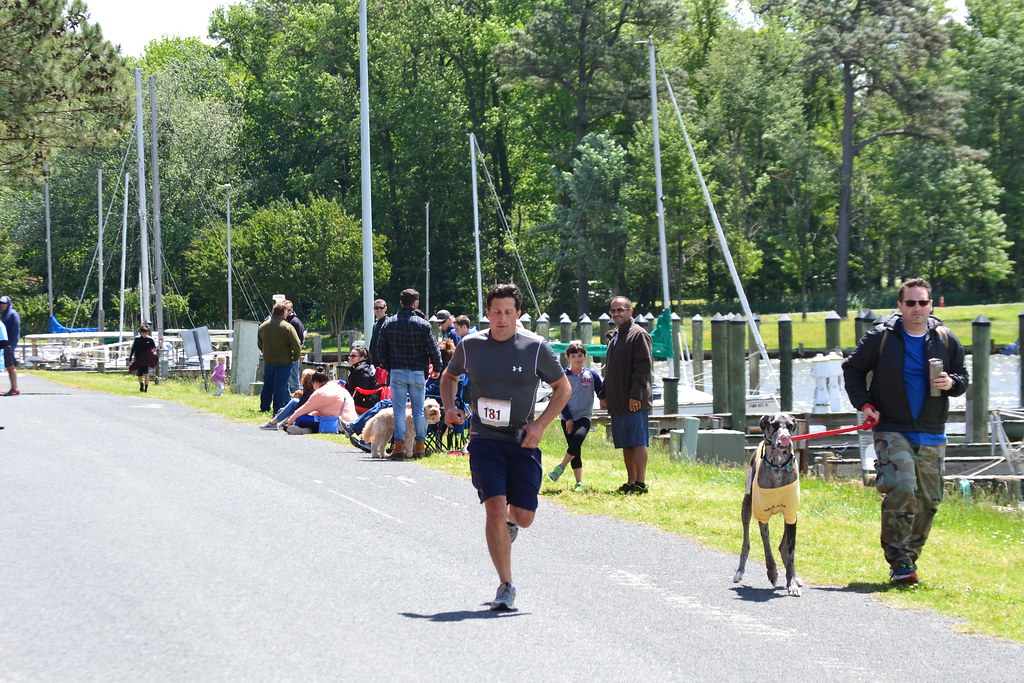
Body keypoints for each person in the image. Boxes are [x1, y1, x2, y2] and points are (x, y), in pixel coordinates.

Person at [441, 283, 571, 611]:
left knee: (524, 517)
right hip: (484, 440)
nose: (501, 318)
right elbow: (448, 377)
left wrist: (540, 425)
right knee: (494, 507)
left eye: (508, 312)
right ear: (487, 313)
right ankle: (506, 585)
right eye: (496, 312)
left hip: (522, 440)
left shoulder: (535, 347)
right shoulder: (470, 345)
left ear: (518, 314)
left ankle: (511, 525)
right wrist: (449, 407)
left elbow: (563, 388)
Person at [843, 277, 968, 585]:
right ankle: (898, 559)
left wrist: (951, 383)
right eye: (910, 303)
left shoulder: (946, 339)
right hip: (891, 428)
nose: (916, 308)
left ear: (931, 305)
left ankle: (909, 560)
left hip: (932, 430)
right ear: (900, 306)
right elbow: (853, 369)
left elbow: (963, 376)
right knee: (901, 487)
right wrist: (865, 404)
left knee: (928, 500)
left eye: (922, 302)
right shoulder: (881, 338)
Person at [377, 288, 442, 457]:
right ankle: (419, 445)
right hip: (417, 372)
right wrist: (436, 368)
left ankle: (398, 446)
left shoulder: (389, 323)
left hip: (397, 371)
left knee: (398, 410)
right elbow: (434, 350)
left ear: (400, 303)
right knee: (419, 410)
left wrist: (389, 366)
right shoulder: (423, 324)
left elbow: (380, 351)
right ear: (416, 303)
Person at [598, 296, 653, 495]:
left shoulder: (638, 335)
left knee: (638, 441)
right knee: (626, 443)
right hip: (618, 400)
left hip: (634, 400)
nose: (616, 314)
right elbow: (609, 370)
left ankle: (641, 483)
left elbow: (643, 368)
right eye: (613, 311)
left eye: (620, 310)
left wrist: (636, 395)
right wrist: (604, 394)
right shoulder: (615, 335)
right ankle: (631, 482)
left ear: (630, 312)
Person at [548, 342, 603, 492]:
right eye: (573, 356)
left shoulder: (592, 375)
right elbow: (560, 398)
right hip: (568, 418)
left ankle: (560, 467)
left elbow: (601, 391)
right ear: (567, 357)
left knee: (578, 439)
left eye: (580, 355)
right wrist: (568, 418)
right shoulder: (564, 377)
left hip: (584, 417)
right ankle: (579, 482)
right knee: (575, 449)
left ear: (585, 356)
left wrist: (605, 400)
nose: (577, 359)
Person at [258, 302, 302, 415]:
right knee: (280, 386)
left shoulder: (263, 326)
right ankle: (277, 409)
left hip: (268, 360)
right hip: (284, 362)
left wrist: (266, 353)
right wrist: (294, 358)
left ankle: (264, 407)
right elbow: (297, 345)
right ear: (283, 313)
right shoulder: (287, 327)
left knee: (267, 385)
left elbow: (259, 343)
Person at [284, 368, 357, 434]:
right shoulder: (339, 387)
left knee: (301, 419)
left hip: (337, 423)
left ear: (315, 382)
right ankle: (307, 430)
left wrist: (290, 421)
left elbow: (303, 409)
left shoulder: (320, 392)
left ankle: (307, 430)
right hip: (351, 422)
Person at [345, 345, 381, 413]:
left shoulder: (362, 370)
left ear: (362, 358)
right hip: (363, 398)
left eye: (353, 356)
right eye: (350, 356)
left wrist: (348, 395)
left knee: (339, 401)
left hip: (368, 401)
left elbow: (364, 389)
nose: (350, 358)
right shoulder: (357, 368)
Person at [283, 300, 307, 393]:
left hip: (293, 355)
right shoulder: (285, 321)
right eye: (283, 309)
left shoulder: (295, 322)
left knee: (294, 381)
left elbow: (300, 341)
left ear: (292, 310)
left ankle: (298, 400)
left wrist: (294, 354)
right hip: (286, 355)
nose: (285, 311)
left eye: (287, 309)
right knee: (287, 380)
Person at [127, 324, 159, 392]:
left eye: (146, 333)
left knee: (146, 374)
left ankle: (146, 388)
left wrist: (151, 353)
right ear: (141, 333)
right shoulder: (137, 339)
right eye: (143, 333)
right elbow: (133, 349)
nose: (144, 334)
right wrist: (130, 359)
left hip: (146, 360)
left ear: (147, 333)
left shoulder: (150, 340)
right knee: (140, 374)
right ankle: (141, 384)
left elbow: (154, 348)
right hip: (138, 359)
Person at [1, 295, 21, 396]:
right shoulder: (4, 315)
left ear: (8, 303)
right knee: (6, 366)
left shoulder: (12, 314)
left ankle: (15, 388)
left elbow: (15, 331)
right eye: (0, 303)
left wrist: (11, 345)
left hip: (9, 344)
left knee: (10, 365)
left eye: (4, 303)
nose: (2, 305)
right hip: (4, 344)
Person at [368, 298, 388, 365]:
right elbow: (373, 344)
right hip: (374, 362)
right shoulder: (375, 325)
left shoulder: (388, 323)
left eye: (381, 308)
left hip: (384, 362)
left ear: (385, 308)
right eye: (376, 308)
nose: (379, 310)